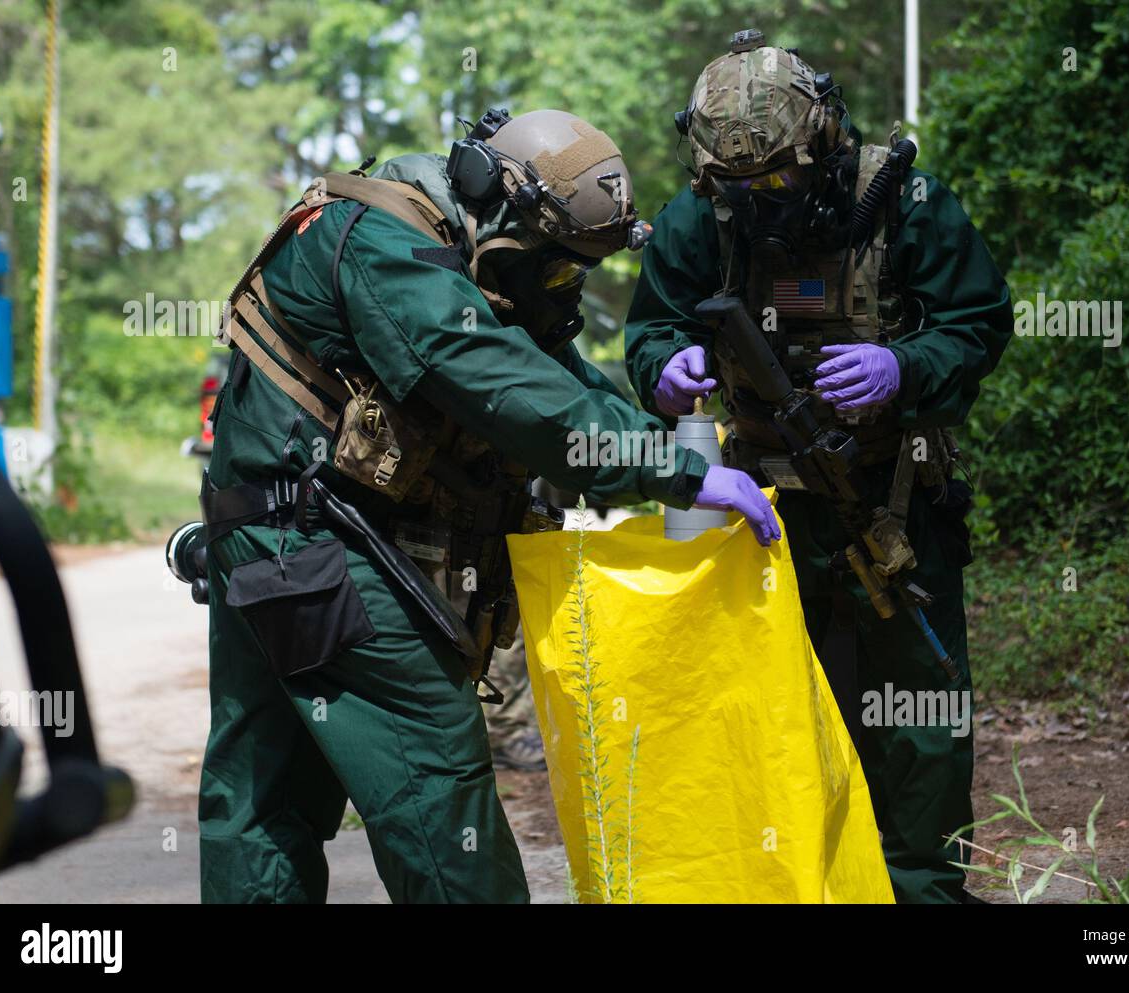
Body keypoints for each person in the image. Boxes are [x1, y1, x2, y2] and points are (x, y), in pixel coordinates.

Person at [196, 107, 779, 904]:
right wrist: (672, 468)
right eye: (557, 266)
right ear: (505, 209)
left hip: (275, 542)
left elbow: (552, 368)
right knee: (433, 788)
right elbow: (506, 385)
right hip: (317, 552)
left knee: (266, 793)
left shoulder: (460, 249)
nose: (562, 287)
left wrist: (660, 431)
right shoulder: (384, 244)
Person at [624, 31, 1014, 903]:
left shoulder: (905, 200)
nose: (763, 198)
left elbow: (980, 320)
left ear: (822, 141)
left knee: (919, 704)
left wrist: (903, 368)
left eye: (778, 178)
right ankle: (804, 881)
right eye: (741, 183)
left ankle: (919, 888)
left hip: (895, 494)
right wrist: (666, 366)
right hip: (761, 502)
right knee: (779, 698)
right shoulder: (704, 217)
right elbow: (654, 323)